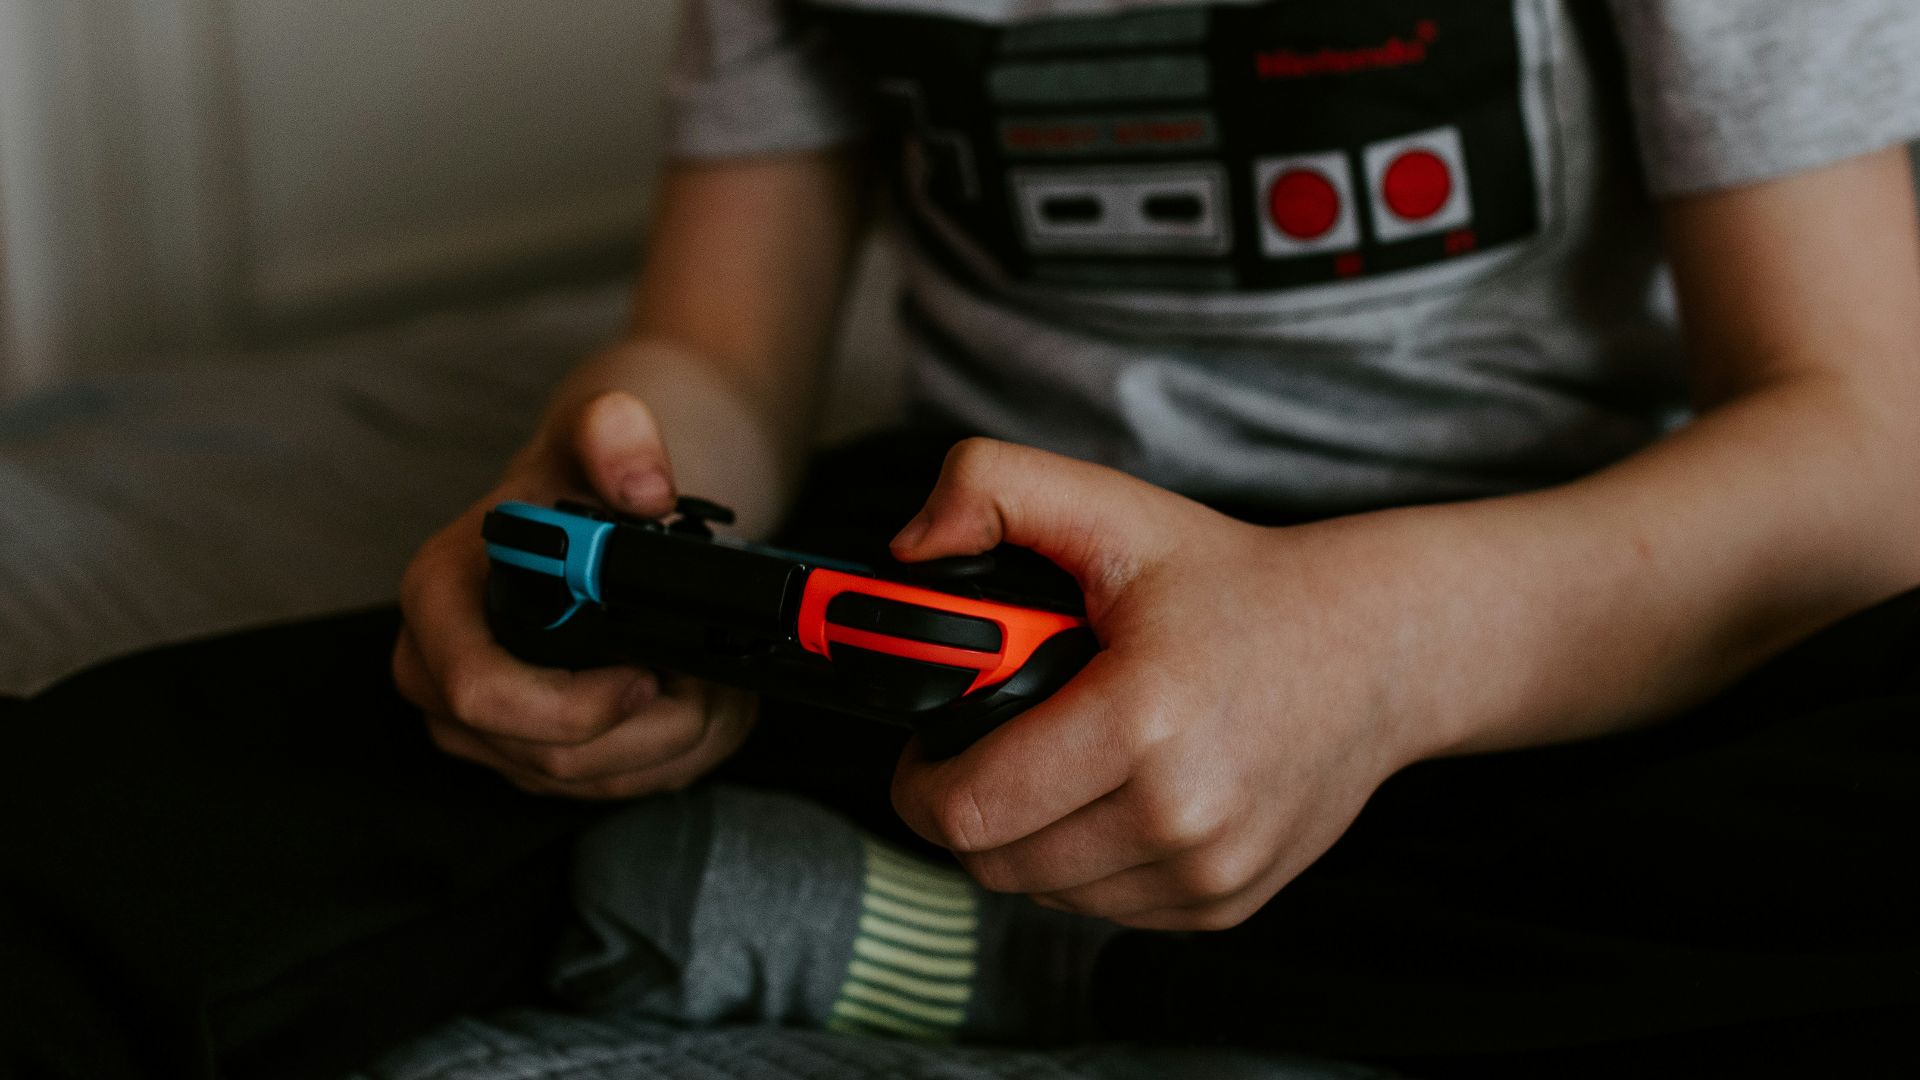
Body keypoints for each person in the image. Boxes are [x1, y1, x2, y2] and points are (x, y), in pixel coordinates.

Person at [5, 2, 1919, 1077]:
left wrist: (1381, 652)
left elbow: (1859, 450)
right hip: (988, 597)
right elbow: (716, 344)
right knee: (117, 789)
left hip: (1586, 604)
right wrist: (585, 520)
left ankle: (1044, 965)